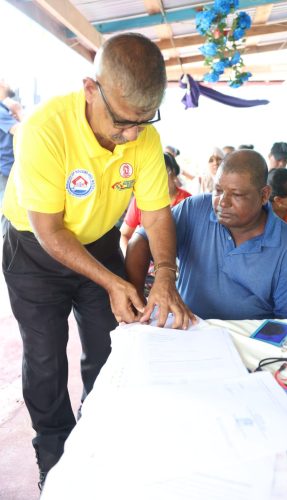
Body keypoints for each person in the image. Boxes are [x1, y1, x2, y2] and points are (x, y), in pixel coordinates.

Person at [1, 33, 194, 490]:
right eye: (124, 121)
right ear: (91, 88)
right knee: (46, 359)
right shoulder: (43, 130)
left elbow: (157, 213)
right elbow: (50, 232)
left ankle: (100, 433)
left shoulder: (143, 136)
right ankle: (53, 451)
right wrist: (111, 281)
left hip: (100, 241)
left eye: (143, 123)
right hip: (35, 251)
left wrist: (163, 275)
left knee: (111, 346)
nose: (131, 135)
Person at [126, 150, 287, 320]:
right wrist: (137, 301)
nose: (223, 203)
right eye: (218, 191)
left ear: (264, 195)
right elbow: (141, 239)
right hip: (185, 329)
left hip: (249, 343)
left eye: (237, 194)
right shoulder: (194, 210)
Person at [120, 152, 191, 254]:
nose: (157, 177)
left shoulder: (188, 201)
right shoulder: (140, 200)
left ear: (173, 172)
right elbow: (124, 235)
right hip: (146, 263)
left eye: (163, 171)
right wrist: (131, 261)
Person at [0, 79, 23, 206]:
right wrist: (19, 112)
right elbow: (25, 133)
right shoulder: (1, 111)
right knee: (8, 212)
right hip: (6, 172)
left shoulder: (4, 110)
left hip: (9, 170)